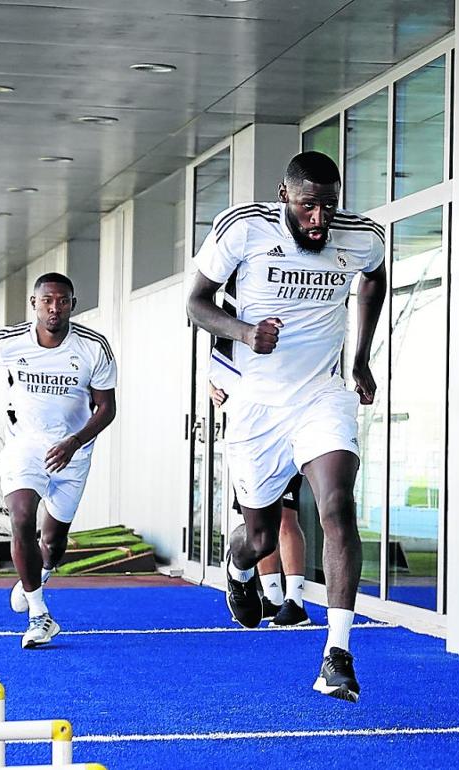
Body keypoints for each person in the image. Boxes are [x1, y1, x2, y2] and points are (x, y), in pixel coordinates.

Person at [186, 151, 386, 702]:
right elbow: (197, 303)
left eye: (329, 205)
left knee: (336, 505)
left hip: (321, 394)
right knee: (260, 535)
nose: (319, 219)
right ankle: (239, 567)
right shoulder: (243, 228)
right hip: (256, 405)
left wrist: (359, 358)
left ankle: (337, 654)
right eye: (307, 206)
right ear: (285, 196)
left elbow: (373, 280)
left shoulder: (361, 236)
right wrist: (246, 332)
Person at [0, 273, 117, 649]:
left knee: (54, 542)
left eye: (62, 301)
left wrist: (74, 442)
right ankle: (39, 614)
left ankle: (42, 572)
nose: (54, 308)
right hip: (26, 445)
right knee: (20, 518)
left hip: (74, 451)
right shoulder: (9, 340)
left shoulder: (93, 348)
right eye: (47, 301)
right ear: (34, 304)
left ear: (72, 305)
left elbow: (106, 408)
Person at [210, 381, 310, 627]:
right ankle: (273, 596)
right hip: (248, 442)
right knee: (260, 522)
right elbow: (215, 371)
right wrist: (213, 389)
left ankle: (295, 601)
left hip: (283, 435)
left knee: (286, 517)